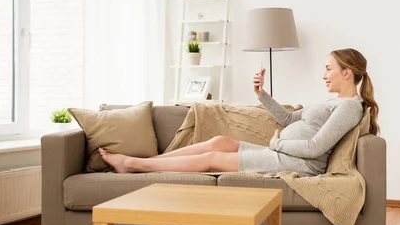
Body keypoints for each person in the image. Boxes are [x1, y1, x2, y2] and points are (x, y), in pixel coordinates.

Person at [99, 48, 379, 175]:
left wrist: (278, 143)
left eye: (328, 69)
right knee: (220, 142)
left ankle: (135, 165)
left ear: (347, 72)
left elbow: (317, 147)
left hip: (301, 164)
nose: (324, 75)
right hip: (283, 152)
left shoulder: (349, 108)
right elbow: (290, 119)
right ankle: (156, 161)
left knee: (212, 158)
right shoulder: (333, 103)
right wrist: (261, 94)